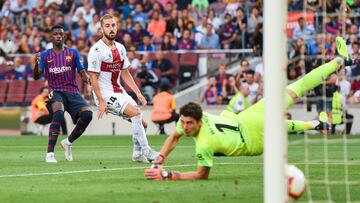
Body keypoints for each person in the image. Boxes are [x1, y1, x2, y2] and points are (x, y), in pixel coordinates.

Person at [144, 37, 349, 180]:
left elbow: (196, 169)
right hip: (251, 139)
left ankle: (338, 61)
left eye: (189, 123)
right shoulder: (199, 133)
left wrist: (167, 173)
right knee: (277, 122)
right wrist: (162, 161)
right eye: (184, 123)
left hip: (246, 120)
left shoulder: (203, 138)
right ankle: (315, 123)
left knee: (296, 87)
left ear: (199, 120)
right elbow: (181, 146)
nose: (185, 127)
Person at [87, 14, 159, 163]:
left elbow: (125, 72)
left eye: (113, 25)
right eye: (107, 26)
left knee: (142, 124)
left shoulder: (120, 48)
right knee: (136, 113)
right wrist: (101, 101)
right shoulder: (96, 50)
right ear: (101, 29)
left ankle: (137, 154)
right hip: (105, 95)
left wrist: (138, 93)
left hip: (119, 91)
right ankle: (148, 151)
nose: (111, 28)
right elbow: (93, 78)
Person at [33, 24, 93, 163]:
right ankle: (50, 154)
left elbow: (81, 72)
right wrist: (36, 65)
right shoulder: (45, 55)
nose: (58, 36)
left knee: (88, 115)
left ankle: (68, 142)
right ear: (51, 37)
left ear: (64, 36)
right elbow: (36, 76)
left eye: (61, 34)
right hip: (55, 92)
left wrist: (88, 80)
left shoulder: (73, 53)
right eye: (56, 34)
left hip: (72, 91)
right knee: (58, 112)